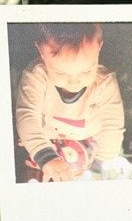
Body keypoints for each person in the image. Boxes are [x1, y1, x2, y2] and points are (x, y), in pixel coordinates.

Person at [15, 23, 125, 182]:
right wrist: (46, 157)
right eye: (60, 72)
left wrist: (101, 164)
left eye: (86, 71)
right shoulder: (36, 76)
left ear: (99, 48)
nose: (74, 82)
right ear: (41, 51)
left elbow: (113, 125)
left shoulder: (104, 83)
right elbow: (27, 117)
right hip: (43, 141)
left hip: (87, 143)